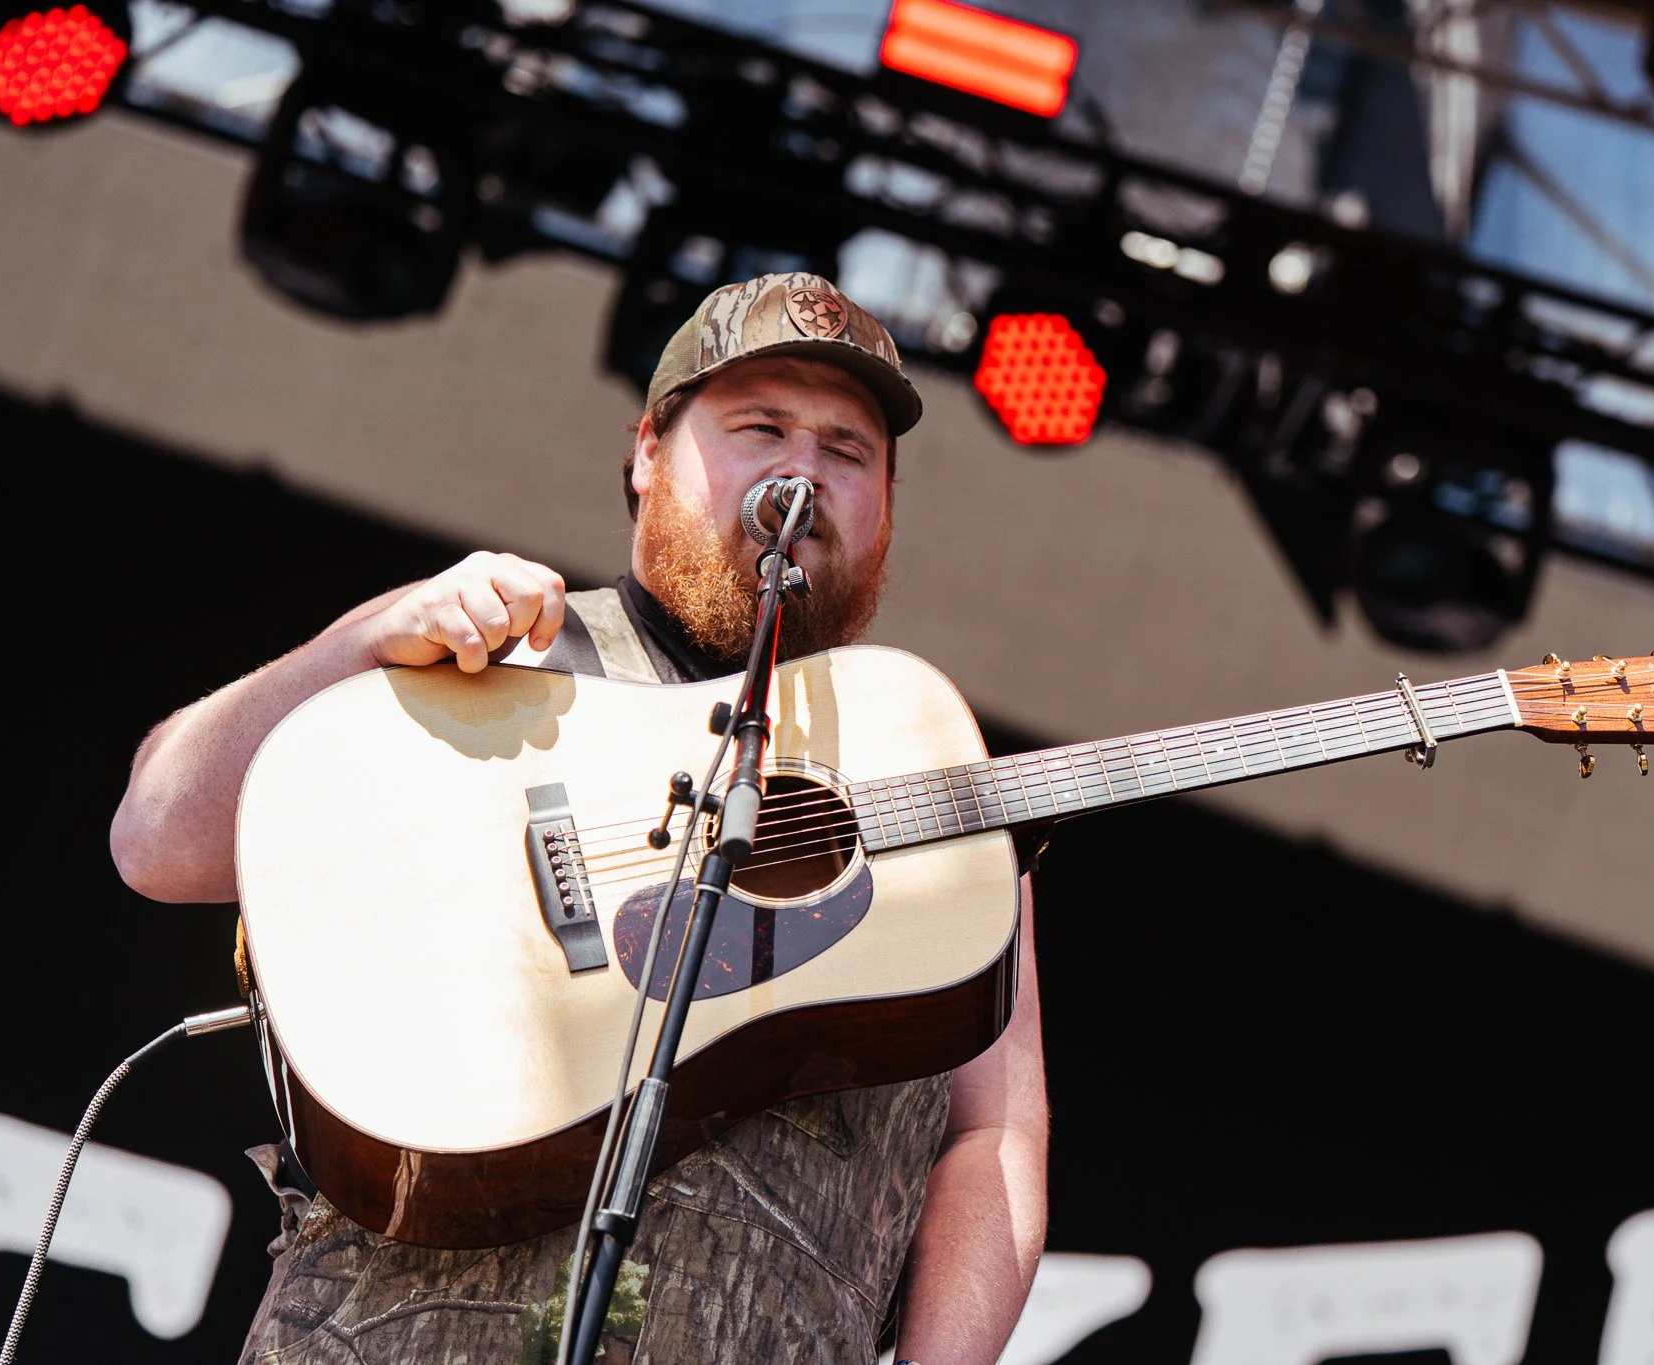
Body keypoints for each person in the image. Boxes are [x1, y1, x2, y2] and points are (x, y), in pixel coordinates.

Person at [109, 273, 1049, 1365]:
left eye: (846, 451)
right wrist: (358, 645)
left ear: (885, 505)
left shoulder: (936, 791)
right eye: (760, 428)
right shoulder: (492, 658)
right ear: (647, 451)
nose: (802, 470)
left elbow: (994, 1134)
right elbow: (157, 840)